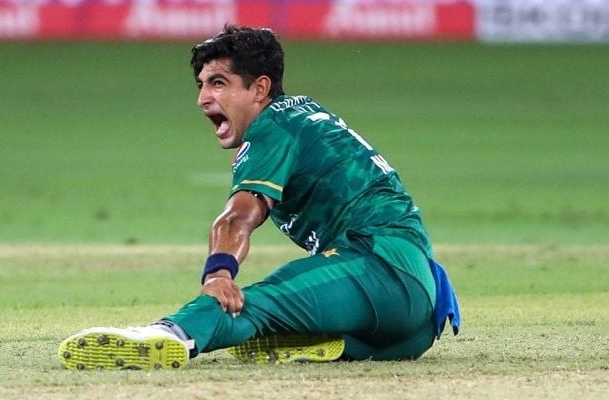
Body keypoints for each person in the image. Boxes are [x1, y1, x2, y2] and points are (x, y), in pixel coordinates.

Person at [58, 25, 461, 371]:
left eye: (218, 83)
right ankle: (315, 339)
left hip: (379, 274)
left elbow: (238, 217)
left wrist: (218, 273)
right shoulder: (301, 114)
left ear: (260, 87)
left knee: (255, 303)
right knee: (275, 312)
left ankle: (169, 334)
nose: (202, 98)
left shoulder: (273, 126)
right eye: (201, 85)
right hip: (414, 320)